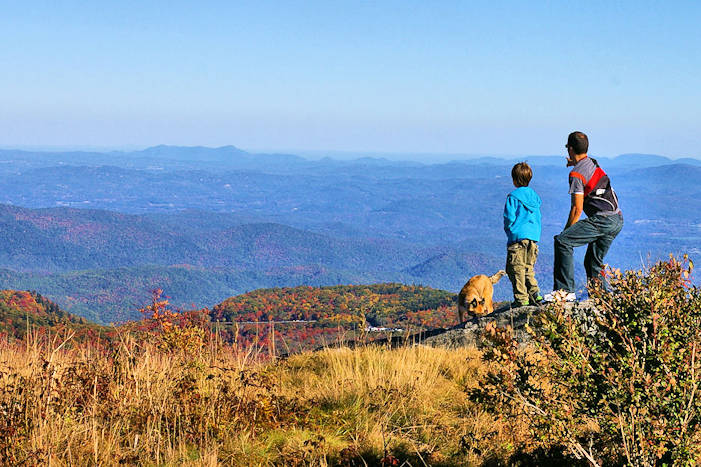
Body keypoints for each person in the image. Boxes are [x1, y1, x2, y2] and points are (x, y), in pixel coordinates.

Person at [547, 131, 623, 301]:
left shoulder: (577, 175)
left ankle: (564, 291)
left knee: (562, 242)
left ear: (570, 149)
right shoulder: (592, 163)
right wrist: (573, 162)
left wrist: (565, 233)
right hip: (617, 219)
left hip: (603, 219)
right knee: (592, 262)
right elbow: (586, 166)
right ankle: (602, 301)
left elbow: (577, 209)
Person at [504, 162, 543, 307]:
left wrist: (509, 230)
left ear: (514, 180)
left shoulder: (513, 197)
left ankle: (521, 300)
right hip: (533, 238)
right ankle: (535, 295)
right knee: (528, 268)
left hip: (518, 238)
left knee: (515, 269)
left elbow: (509, 217)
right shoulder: (535, 197)